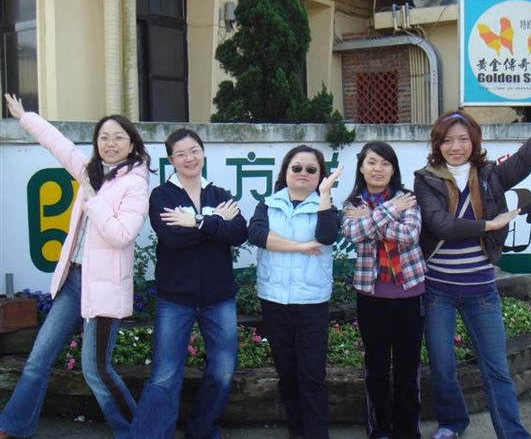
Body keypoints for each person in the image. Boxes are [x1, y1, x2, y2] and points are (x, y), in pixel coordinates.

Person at [413, 72, 531, 439]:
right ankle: (452, 423)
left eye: (463, 139)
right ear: (438, 144)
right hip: (438, 290)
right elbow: (440, 225)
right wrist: (489, 225)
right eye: (447, 140)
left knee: (497, 369)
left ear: (474, 141)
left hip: (481, 290)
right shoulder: (425, 179)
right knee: (443, 367)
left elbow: (530, 153)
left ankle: (512, 433)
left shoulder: (492, 176)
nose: (455, 146)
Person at [1, 94, 152, 439]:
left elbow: (120, 235)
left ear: (131, 145)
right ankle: (14, 426)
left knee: (96, 371)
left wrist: (92, 199)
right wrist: (25, 117)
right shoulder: (90, 170)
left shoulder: (135, 184)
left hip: (105, 288)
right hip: (74, 281)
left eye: (118, 137)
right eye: (103, 137)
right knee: (38, 358)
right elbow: (58, 144)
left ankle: (139, 431)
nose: (110, 143)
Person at [130, 128, 247, 439]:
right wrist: (216, 223)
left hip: (218, 296)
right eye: (181, 154)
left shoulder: (219, 193)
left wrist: (197, 221)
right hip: (175, 297)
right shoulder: (162, 196)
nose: (189, 158)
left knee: (223, 371)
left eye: (194, 151)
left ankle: (201, 429)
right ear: (171, 160)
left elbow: (239, 232)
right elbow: (173, 238)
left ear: (203, 153)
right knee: (165, 375)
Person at [247, 145, 343, 439]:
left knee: (312, 376)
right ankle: (297, 432)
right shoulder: (267, 205)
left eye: (311, 169)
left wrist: (324, 195)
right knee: (287, 374)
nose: (303, 173)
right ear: (286, 172)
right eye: (296, 168)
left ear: (321, 175)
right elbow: (257, 235)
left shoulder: (327, 208)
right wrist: (300, 247)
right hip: (274, 301)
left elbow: (326, 235)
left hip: (311, 303)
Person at [342, 141, 427, 439]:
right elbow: (353, 233)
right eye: (371, 162)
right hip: (371, 297)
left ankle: (408, 430)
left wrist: (371, 219)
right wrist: (390, 211)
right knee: (376, 367)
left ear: (393, 170)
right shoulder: (352, 204)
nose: (378, 169)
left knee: (407, 368)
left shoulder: (408, 198)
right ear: (361, 168)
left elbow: (410, 235)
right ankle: (379, 429)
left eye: (385, 163)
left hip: (409, 294)